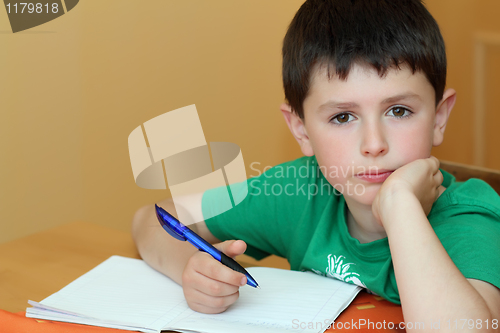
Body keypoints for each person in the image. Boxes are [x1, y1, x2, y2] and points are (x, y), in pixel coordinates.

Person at [132, 0, 500, 327]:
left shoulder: (467, 216)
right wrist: (191, 271)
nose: (374, 144)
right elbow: (152, 219)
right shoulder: (299, 190)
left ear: (438, 118)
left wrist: (401, 206)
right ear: (302, 130)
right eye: (342, 117)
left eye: (399, 111)